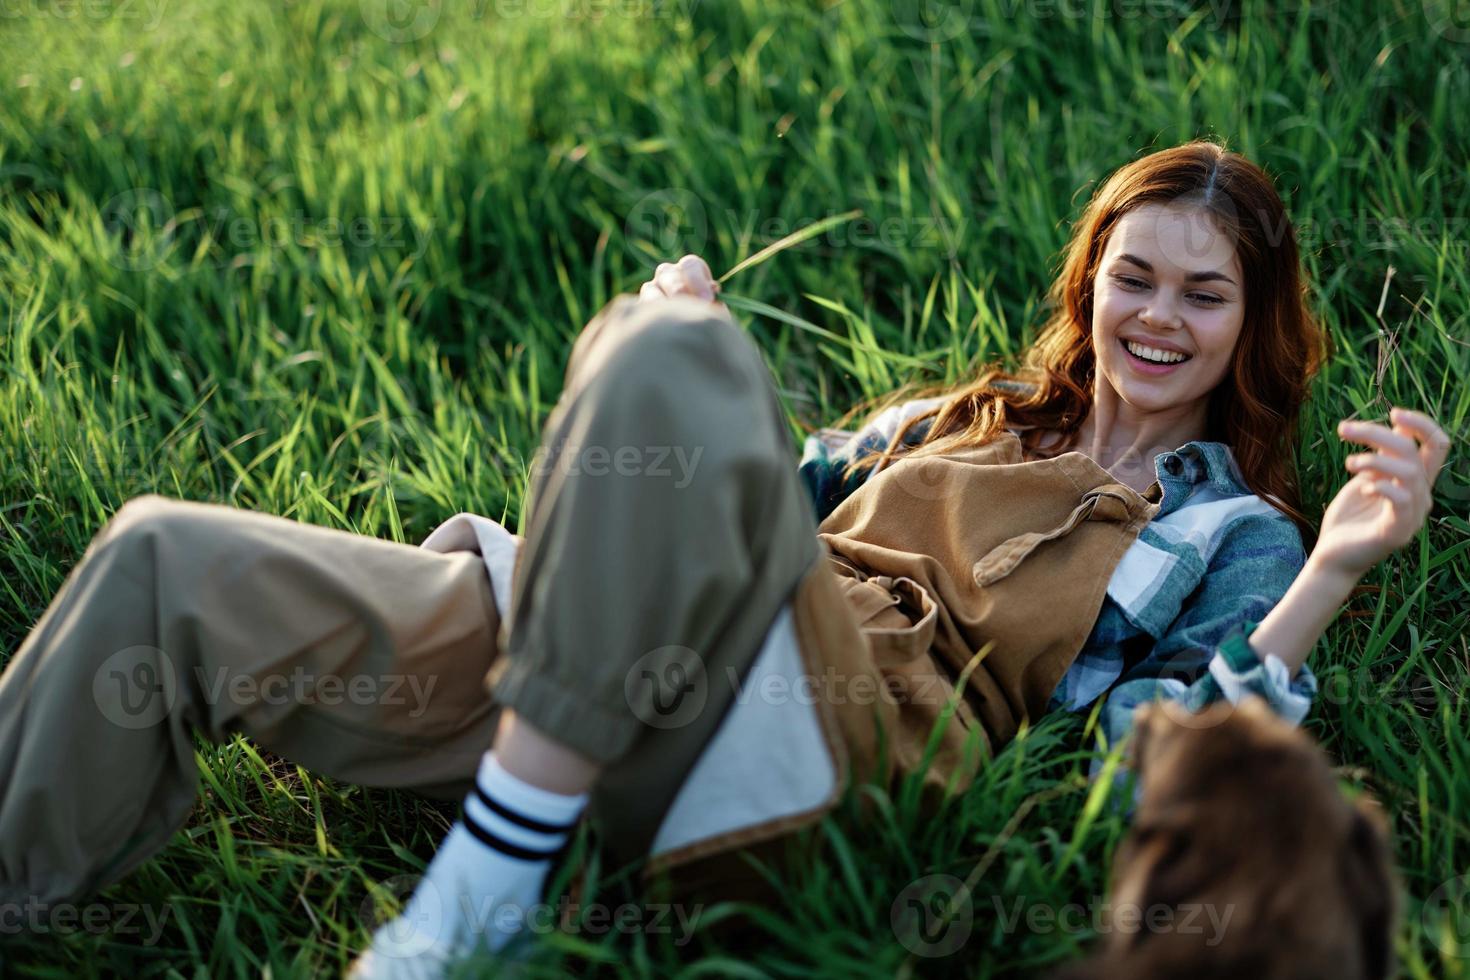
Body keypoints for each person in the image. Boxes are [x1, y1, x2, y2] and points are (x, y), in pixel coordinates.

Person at [0, 142, 1450, 980]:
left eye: (1202, 294)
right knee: (161, 557)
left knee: (682, 363)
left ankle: (484, 884)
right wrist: (676, 341)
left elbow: (1157, 758)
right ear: (1088, 284)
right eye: (1132, 276)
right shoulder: (956, 419)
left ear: (1246, 328)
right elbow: (685, 503)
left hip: (819, 744)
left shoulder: (1233, 534)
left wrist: (1332, 571)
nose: (1156, 316)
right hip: (619, 667)